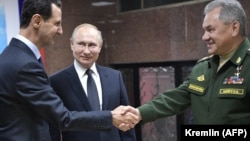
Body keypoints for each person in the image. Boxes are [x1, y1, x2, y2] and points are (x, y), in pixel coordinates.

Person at [0, 0, 138, 140]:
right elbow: (62, 118)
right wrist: (110, 117)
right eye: (57, 23)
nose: (60, 31)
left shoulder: (12, 56)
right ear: (36, 21)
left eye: (92, 45)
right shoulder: (25, 65)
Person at [117, 0, 250, 128]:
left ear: (234, 28)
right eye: (204, 31)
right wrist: (139, 113)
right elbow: (177, 97)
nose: (204, 37)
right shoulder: (203, 67)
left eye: (210, 30)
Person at [49, 23, 136, 141]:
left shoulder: (115, 77)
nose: (86, 51)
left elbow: (127, 120)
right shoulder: (57, 81)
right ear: (71, 44)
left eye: (92, 45)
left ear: (100, 47)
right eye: (81, 44)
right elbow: (53, 126)